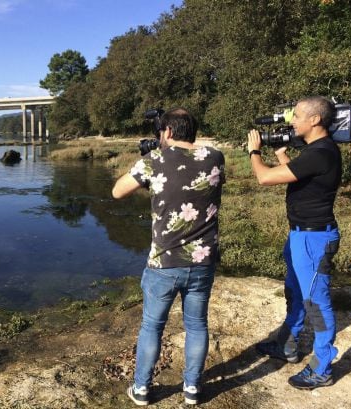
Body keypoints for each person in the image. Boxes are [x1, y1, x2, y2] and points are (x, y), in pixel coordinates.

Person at [112, 107, 225, 406]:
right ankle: (192, 389)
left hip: (164, 263)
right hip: (203, 261)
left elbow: (117, 192)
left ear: (168, 132)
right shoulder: (215, 157)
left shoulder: (154, 161)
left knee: (152, 326)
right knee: (197, 325)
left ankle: (142, 389)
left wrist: (148, 161)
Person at [247, 96, 342, 390]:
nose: (292, 121)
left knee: (317, 304)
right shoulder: (317, 151)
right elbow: (299, 178)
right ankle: (287, 346)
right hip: (301, 235)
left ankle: (322, 367)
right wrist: (281, 154)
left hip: (314, 238)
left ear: (315, 120)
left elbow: (264, 178)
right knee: (296, 293)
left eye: (297, 115)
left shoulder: (322, 152)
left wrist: (254, 151)